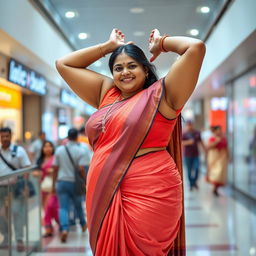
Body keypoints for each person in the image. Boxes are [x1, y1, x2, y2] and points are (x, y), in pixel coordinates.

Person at [55, 28, 206, 255]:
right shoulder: (107, 93)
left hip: (151, 190)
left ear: (146, 69)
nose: (125, 72)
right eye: (118, 68)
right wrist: (108, 47)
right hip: (104, 189)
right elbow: (63, 64)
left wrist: (161, 43)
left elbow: (195, 48)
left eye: (132, 65)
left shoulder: (162, 95)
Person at [52, 128, 87, 243]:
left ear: (67, 137)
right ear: (77, 137)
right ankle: (82, 224)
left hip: (62, 182)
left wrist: (53, 184)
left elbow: (55, 169)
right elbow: (81, 168)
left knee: (63, 207)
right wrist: (86, 180)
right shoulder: (80, 150)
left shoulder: (59, 150)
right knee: (78, 205)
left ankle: (65, 229)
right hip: (75, 183)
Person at [0, 127, 31, 252]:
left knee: (17, 212)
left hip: (16, 187)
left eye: (7, 136)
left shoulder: (19, 151)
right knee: (1, 214)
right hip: (1, 188)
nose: (5, 139)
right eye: (2, 136)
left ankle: (19, 240)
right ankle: (6, 237)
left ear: (11, 136)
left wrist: (25, 185)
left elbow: (27, 168)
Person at [36, 141, 59, 237]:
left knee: (50, 206)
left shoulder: (55, 159)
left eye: (50, 146)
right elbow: (36, 171)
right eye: (45, 146)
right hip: (43, 187)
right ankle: (49, 228)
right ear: (42, 149)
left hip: (53, 187)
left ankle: (58, 224)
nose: (48, 148)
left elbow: (59, 169)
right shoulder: (40, 160)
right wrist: (38, 173)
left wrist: (53, 171)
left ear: (53, 148)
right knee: (46, 209)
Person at [182, 120, 206, 191]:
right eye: (188, 125)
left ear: (193, 125)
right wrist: (188, 142)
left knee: (197, 168)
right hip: (187, 155)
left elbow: (201, 142)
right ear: (187, 126)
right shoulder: (184, 134)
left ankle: (194, 181)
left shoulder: (197, 133)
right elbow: (181, 143)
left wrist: (205, 151)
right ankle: (191, 184)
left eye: (191, 125)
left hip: (196, 155)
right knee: (189, 171)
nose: (190, 126)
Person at [206, 125, 229, 196]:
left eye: (220, 130)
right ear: (215, 131)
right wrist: (217, 141)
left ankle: (215, 188)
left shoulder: (224, 138)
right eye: (217, 130)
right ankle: (214, 188)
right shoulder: (212, 138)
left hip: (222, 157)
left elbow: (226, 147)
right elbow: (209, 147)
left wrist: (228, 156)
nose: (219, 132)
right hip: (214, 157)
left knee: (220, 172)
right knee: (215, 172)